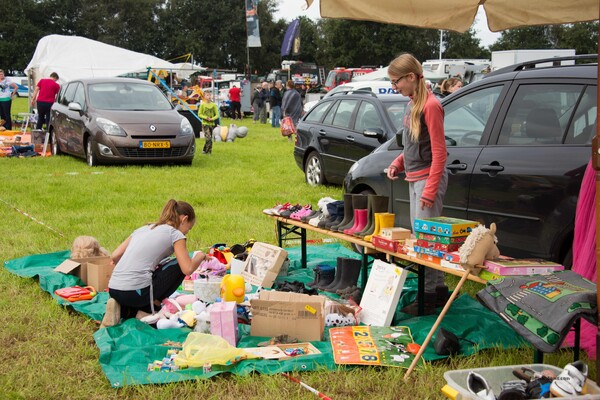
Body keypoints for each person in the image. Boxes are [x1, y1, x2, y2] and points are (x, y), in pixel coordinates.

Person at [385, 53, 449, 315]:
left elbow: (440, 152)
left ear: (411, 77)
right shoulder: (413, 104)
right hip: (415, 178)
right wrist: (398, 163)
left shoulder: (431, 106)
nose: (394, 87)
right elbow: (412, 144)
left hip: (427, 180)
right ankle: (436, 290)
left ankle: (430, 295)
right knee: (422, 237)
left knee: (427, 240)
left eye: (396, 81)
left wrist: (431, 190)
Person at [101, 199, 210, 328]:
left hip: (114, 288)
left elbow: (115, 255)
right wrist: (200, 256)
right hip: (137, 293)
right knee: (177, 265)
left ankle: (124, 309)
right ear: (184, 219)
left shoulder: (143, 229)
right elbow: (187, 269)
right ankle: (149, 309)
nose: (187, 232)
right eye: (189, 228)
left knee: (163, 265)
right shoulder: (175, 234)